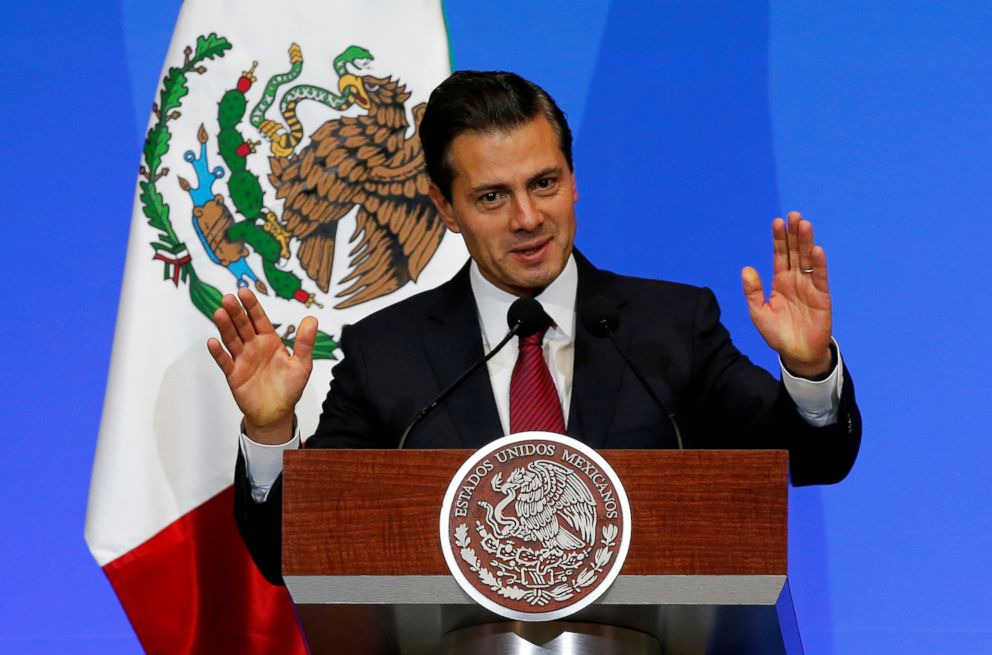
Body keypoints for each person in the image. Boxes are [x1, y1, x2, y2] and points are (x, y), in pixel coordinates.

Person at [208, 71, 861, 585]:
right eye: (492, 196)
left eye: (544, 183)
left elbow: (811, 459)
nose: (527, 217)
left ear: (574, 181)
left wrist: (808, 371)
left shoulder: (670, 327)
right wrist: (269, 429)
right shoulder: (389, 352)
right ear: (445, 207)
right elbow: (291, 550)